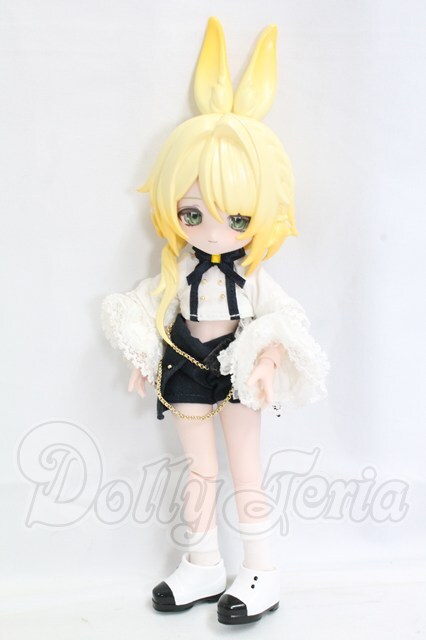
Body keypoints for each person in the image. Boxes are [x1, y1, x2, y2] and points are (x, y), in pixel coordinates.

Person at [101, 17, 328, 625]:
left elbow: (285, 318)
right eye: (193, 212)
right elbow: (147, 302)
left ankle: (261, 571)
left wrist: (269, 358)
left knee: (246, 469)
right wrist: (141, 352)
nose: (212, 230)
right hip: (184, 366)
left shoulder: (252, 276)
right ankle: (202, 561)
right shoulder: (178, 265)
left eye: (237, 217)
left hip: (237, 369)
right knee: (199, 470)